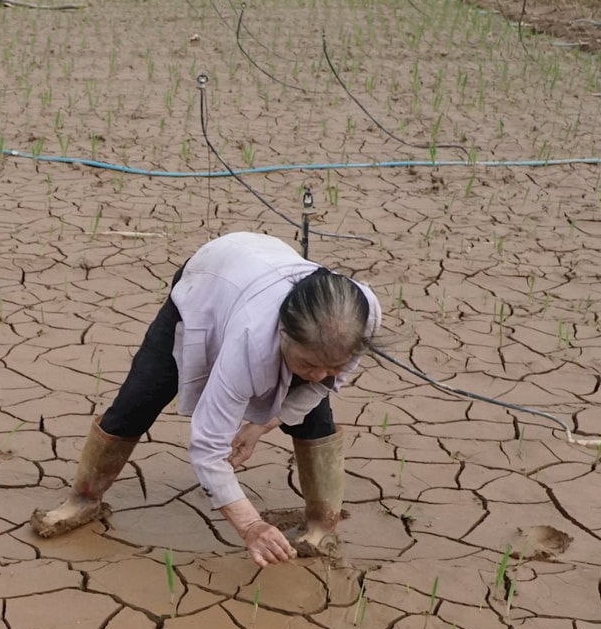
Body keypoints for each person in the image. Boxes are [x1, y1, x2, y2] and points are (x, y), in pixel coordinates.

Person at [31, 232, 381, 566]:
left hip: (264, 277)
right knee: (140, 398)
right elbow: (208, 449)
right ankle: (83, 499)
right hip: (209, 279)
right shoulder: (251, 340)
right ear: (282, 334)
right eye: (307, 364)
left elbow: (322, 385)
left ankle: (322, 526)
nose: (319, 375)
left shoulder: (359, 317)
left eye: (333, 365)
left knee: (314, 418)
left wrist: (260, 426)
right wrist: (251, 526)